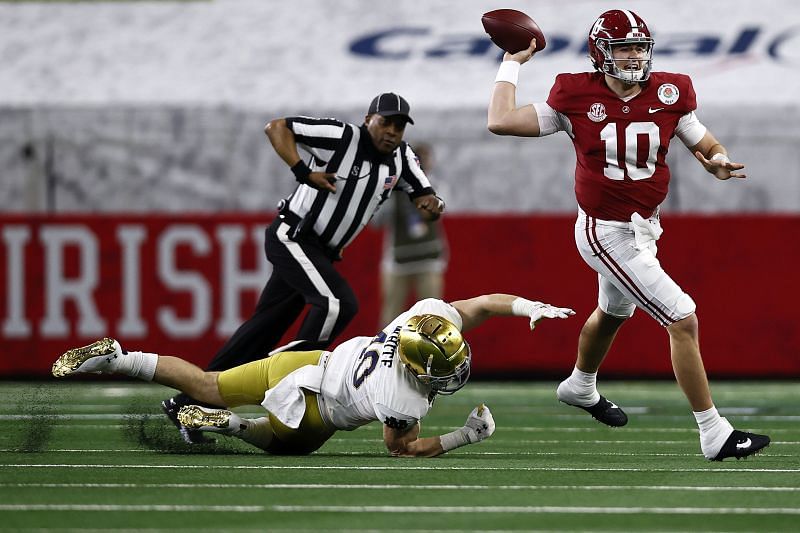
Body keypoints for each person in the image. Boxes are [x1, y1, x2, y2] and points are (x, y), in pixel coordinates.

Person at [487, 9, 770, 461]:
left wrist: (715, 160)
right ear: (602, 53)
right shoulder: (575, 96)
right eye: (624, 48)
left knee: (614, 312)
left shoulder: (670, 91)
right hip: (606, 232)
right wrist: (512, 62)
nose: (635, 55)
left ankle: (580, 385)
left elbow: (701, 140)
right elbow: (500, 121)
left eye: (640, 46)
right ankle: (714, 432)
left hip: (644, 228)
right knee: (683, 318)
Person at [163, 92, 445, 443]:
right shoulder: (342, 137)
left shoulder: (402, 157)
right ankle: (291, 379)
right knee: (336, 304)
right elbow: (277, 127)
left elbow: (424, 193)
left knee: (260, 332)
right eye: (385, 122)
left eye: (399, 126)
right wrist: (302, 170)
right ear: (368, 118)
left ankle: (186, 404)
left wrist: (433, 204)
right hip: (292, 237)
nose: (391, 131)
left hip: (320, 253)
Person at [52, 295, 575, 456]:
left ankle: (118, 356)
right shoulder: (404, 398)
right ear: (419, 368)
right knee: (283, 446)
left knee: (207, 382)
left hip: (305, 362)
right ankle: (226, 425)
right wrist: (466, 435)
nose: (454, 370)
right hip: (317, 408)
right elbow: (400, 450)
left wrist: (521, 304)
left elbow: (478, 305)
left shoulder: (420, 320)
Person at [377, 142, 449, 326]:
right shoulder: (394, 186)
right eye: (419, 158)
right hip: (397, 260)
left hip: (429, 257)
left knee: (433, 317)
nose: (424, 162)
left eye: (426, 158)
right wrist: (387, 190)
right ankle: (386, 352)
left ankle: (430, 353)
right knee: (391, 317)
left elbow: (439, 211)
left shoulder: (436, 184)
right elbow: (377, 221)